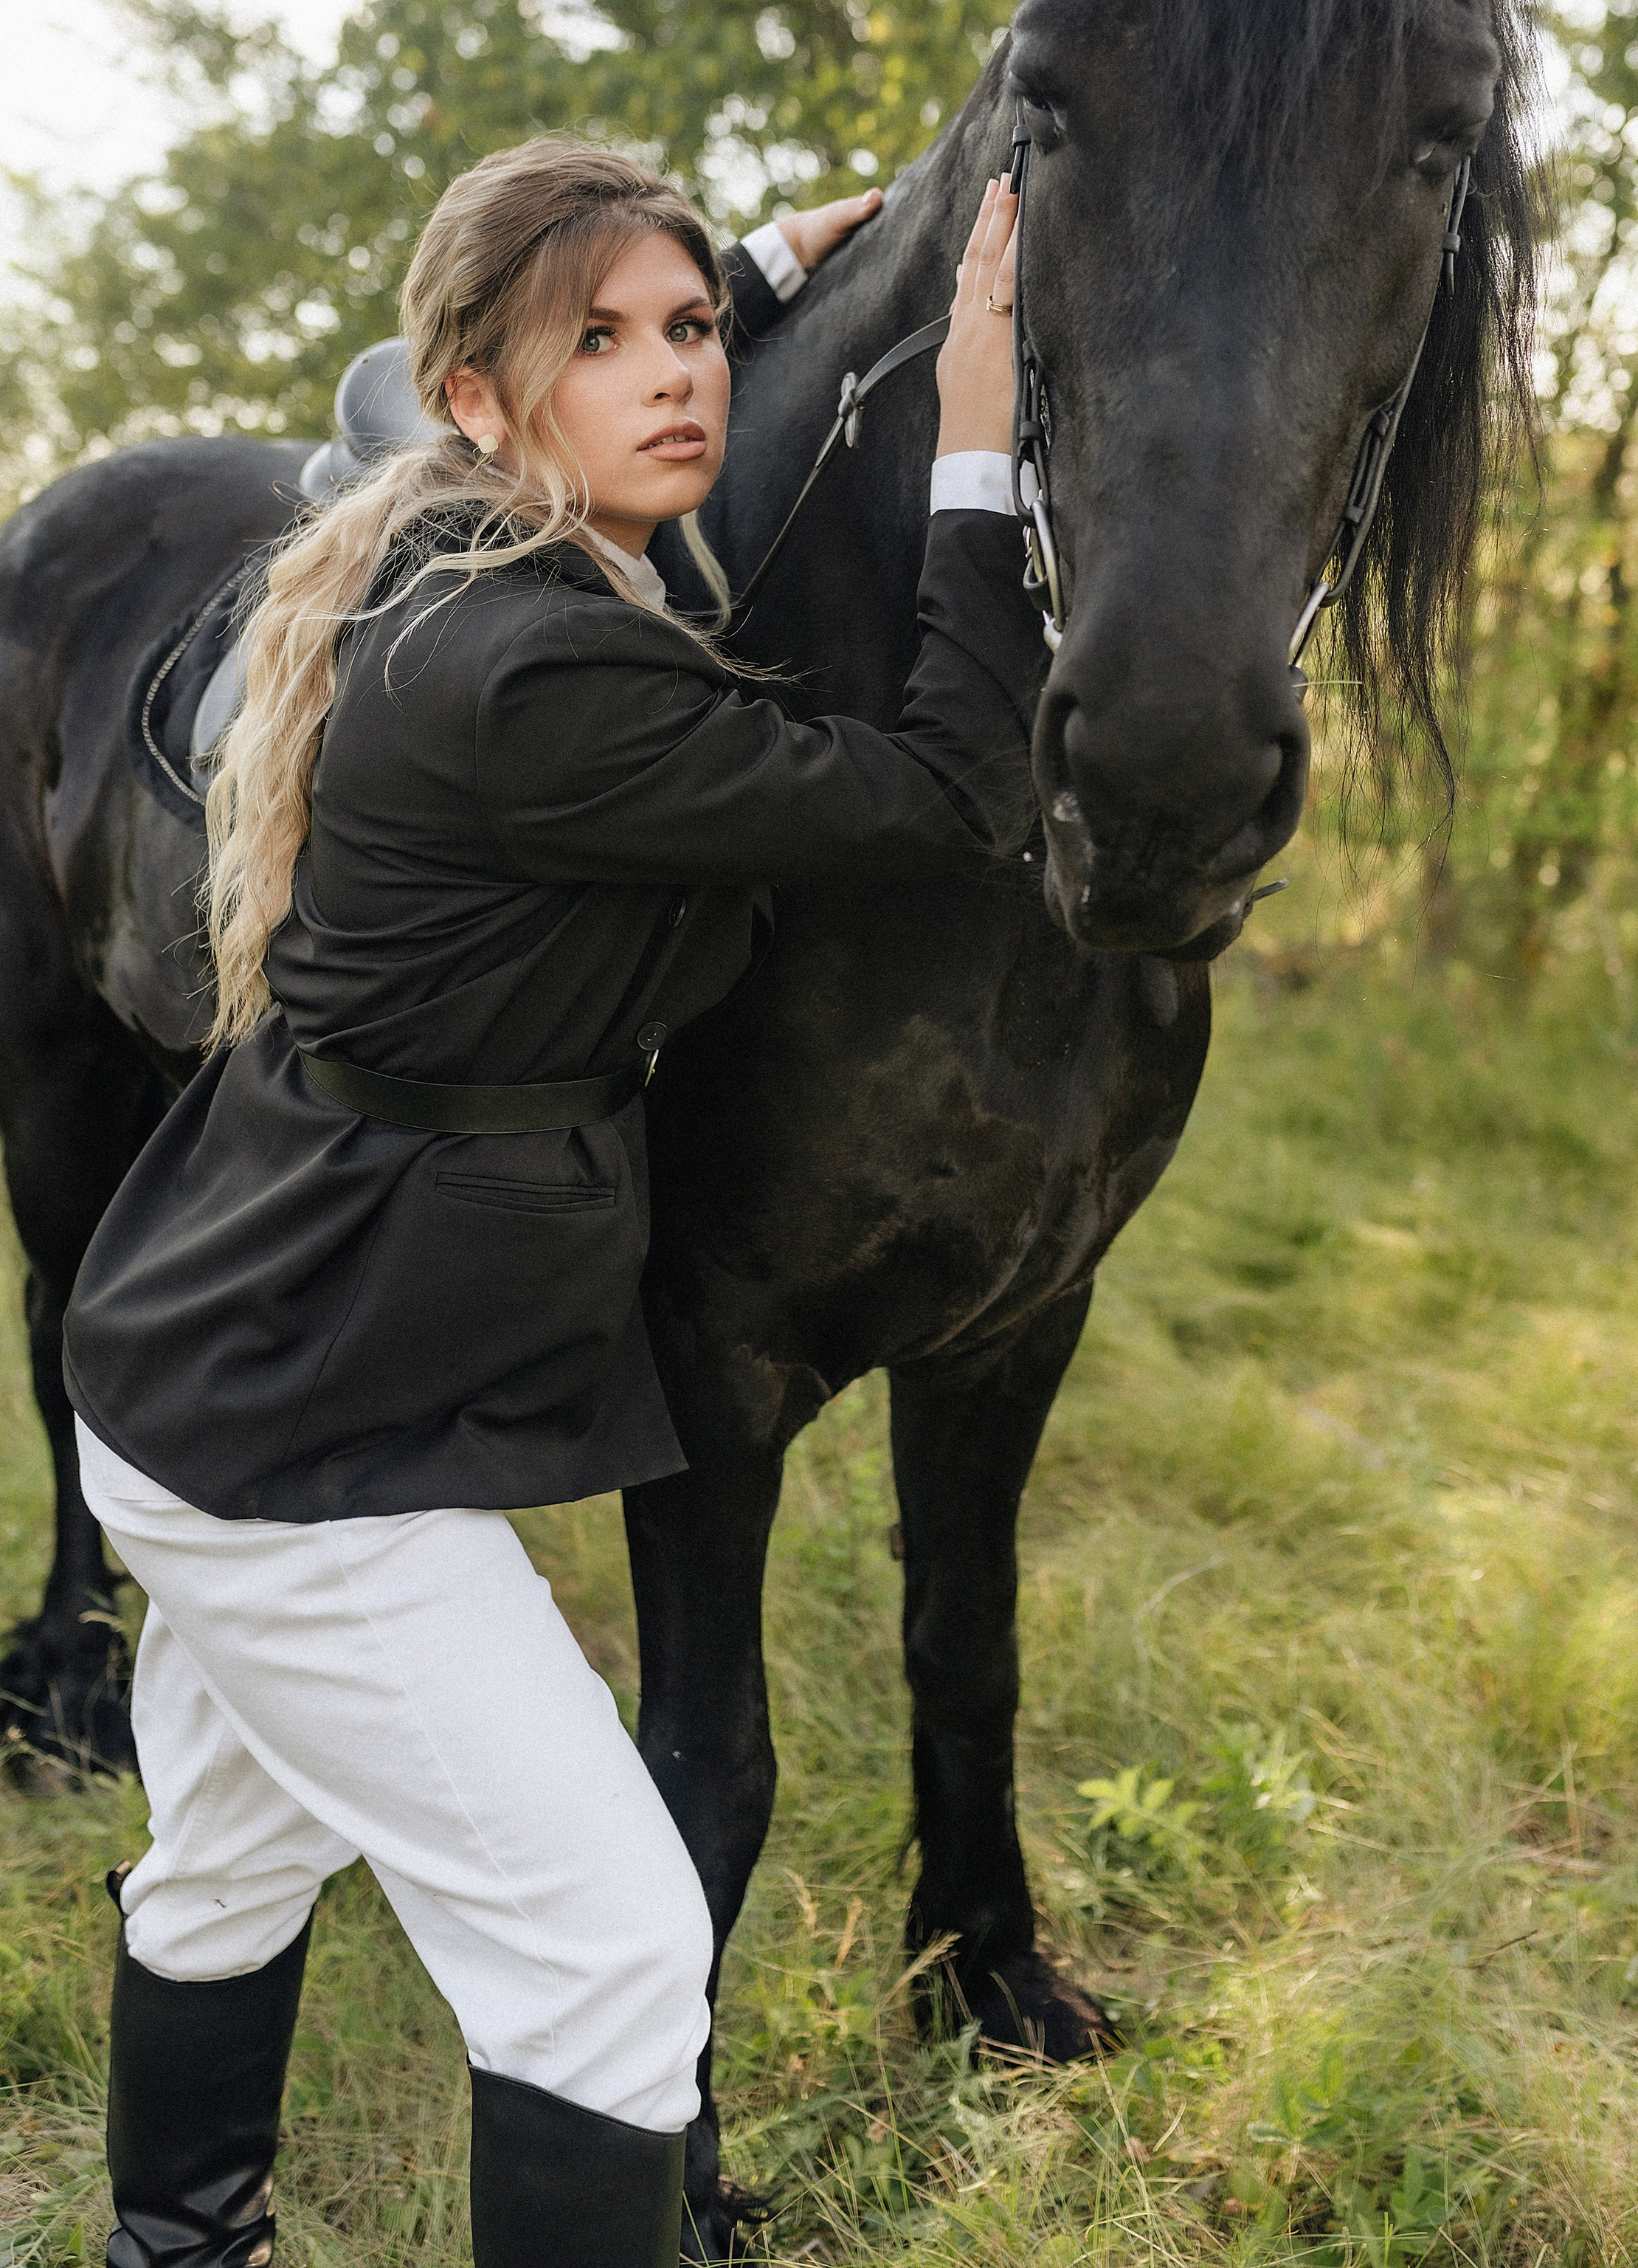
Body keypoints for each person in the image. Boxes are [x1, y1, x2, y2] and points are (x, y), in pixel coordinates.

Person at [61, 134, 1040, 2267]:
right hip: (299, 1453)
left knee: (227, 1855)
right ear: (487, 406)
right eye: (602, 345)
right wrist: (971, 436)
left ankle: (175, 2250)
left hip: (210, 1370)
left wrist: (767, 263)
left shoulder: (437, 542)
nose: (677, 376)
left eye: (692, 332)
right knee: (609, 1962)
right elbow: (957, 792)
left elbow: (564, 377)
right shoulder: (542, 671)